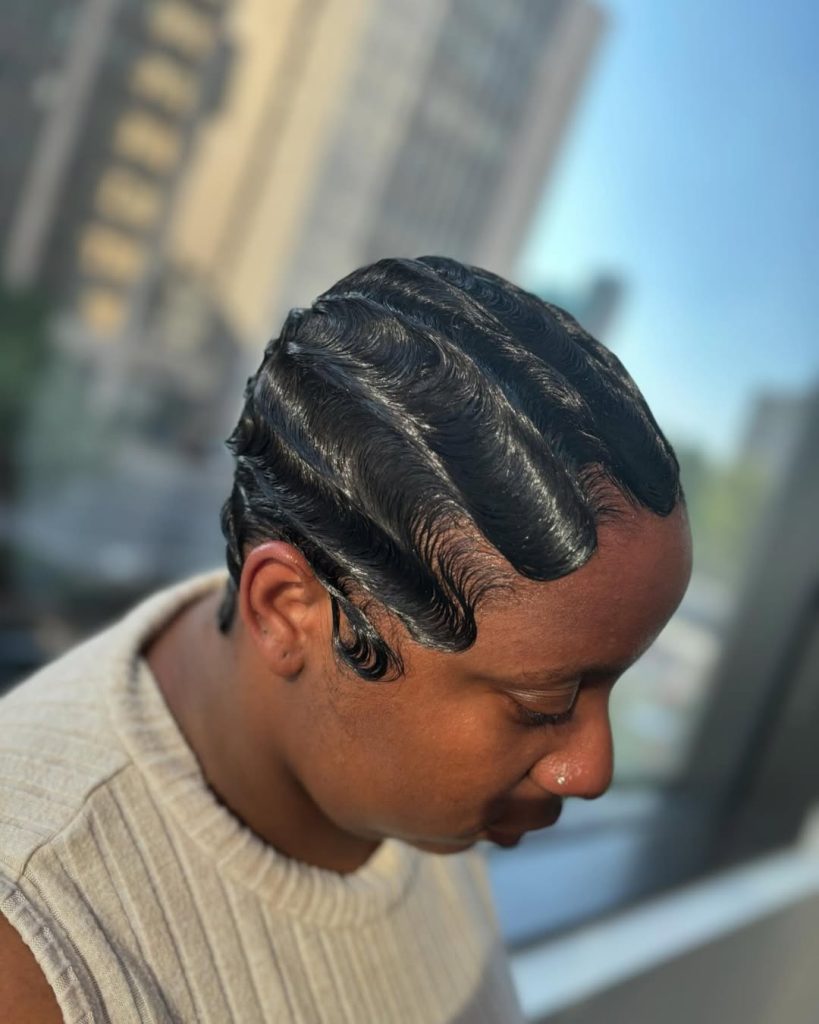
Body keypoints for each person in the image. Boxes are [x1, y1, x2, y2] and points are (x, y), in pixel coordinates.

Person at [0, 256, 692, 1022]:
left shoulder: (413, 790)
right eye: (542, 704)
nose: (591, 770)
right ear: (288, 609)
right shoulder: (38, 951)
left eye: (612, 682)